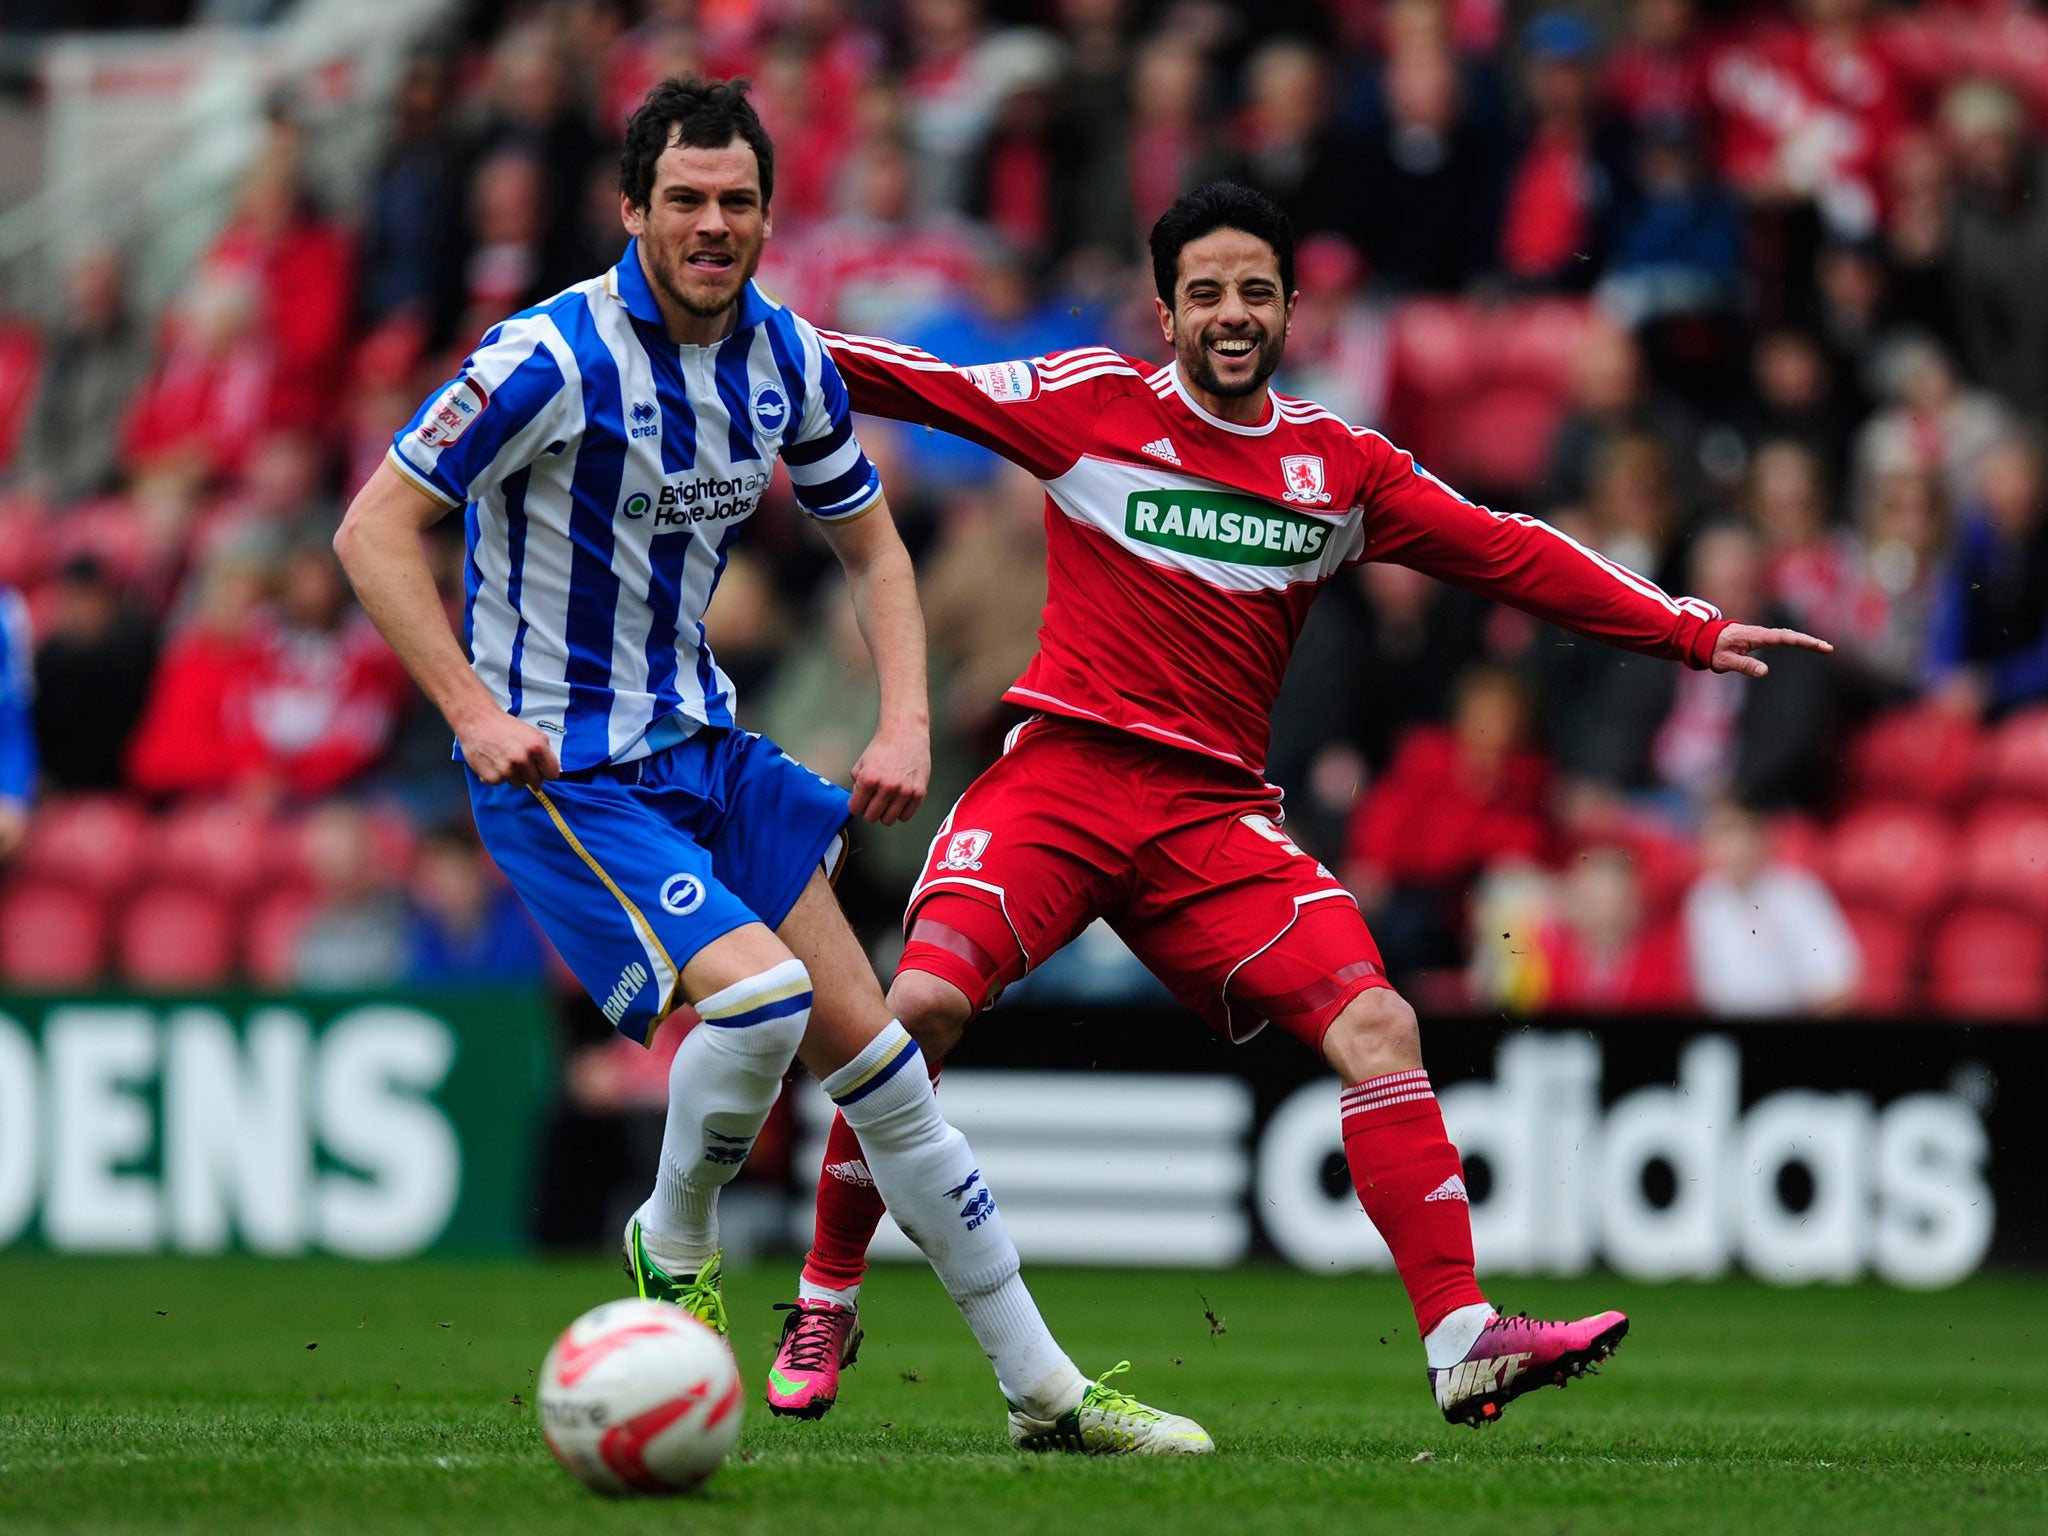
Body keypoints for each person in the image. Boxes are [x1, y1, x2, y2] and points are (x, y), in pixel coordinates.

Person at [772, 180, 1832, 1429]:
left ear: (1291, 309)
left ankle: (1458, 1336)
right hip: (1060, 777)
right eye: (1206, 291)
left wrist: (1682, 627)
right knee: (916, 1008)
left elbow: (1507, 548)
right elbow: (902, 377)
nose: (1232, 313)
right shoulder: (1085, 405)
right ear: (1163, 309)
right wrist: (732, 323)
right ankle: (827, 1295)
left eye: (1255, 292)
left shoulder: (1341, 467)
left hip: (1212, 815)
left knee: (1380, 1027)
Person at [333, 76, 1206, 1457]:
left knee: (885, 1064)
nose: (712, 224)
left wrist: (907, 719)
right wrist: (470, 709)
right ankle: (672, 1237)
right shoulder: (544, 360)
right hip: (570, 772)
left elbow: (872, 544)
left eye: (737, 201)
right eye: (684, 199)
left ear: (767, 214)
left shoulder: (787, 358)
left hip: (707, 748)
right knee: (761, 1006)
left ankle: (1045, 1390)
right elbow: (374, 531)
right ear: (631, 208)